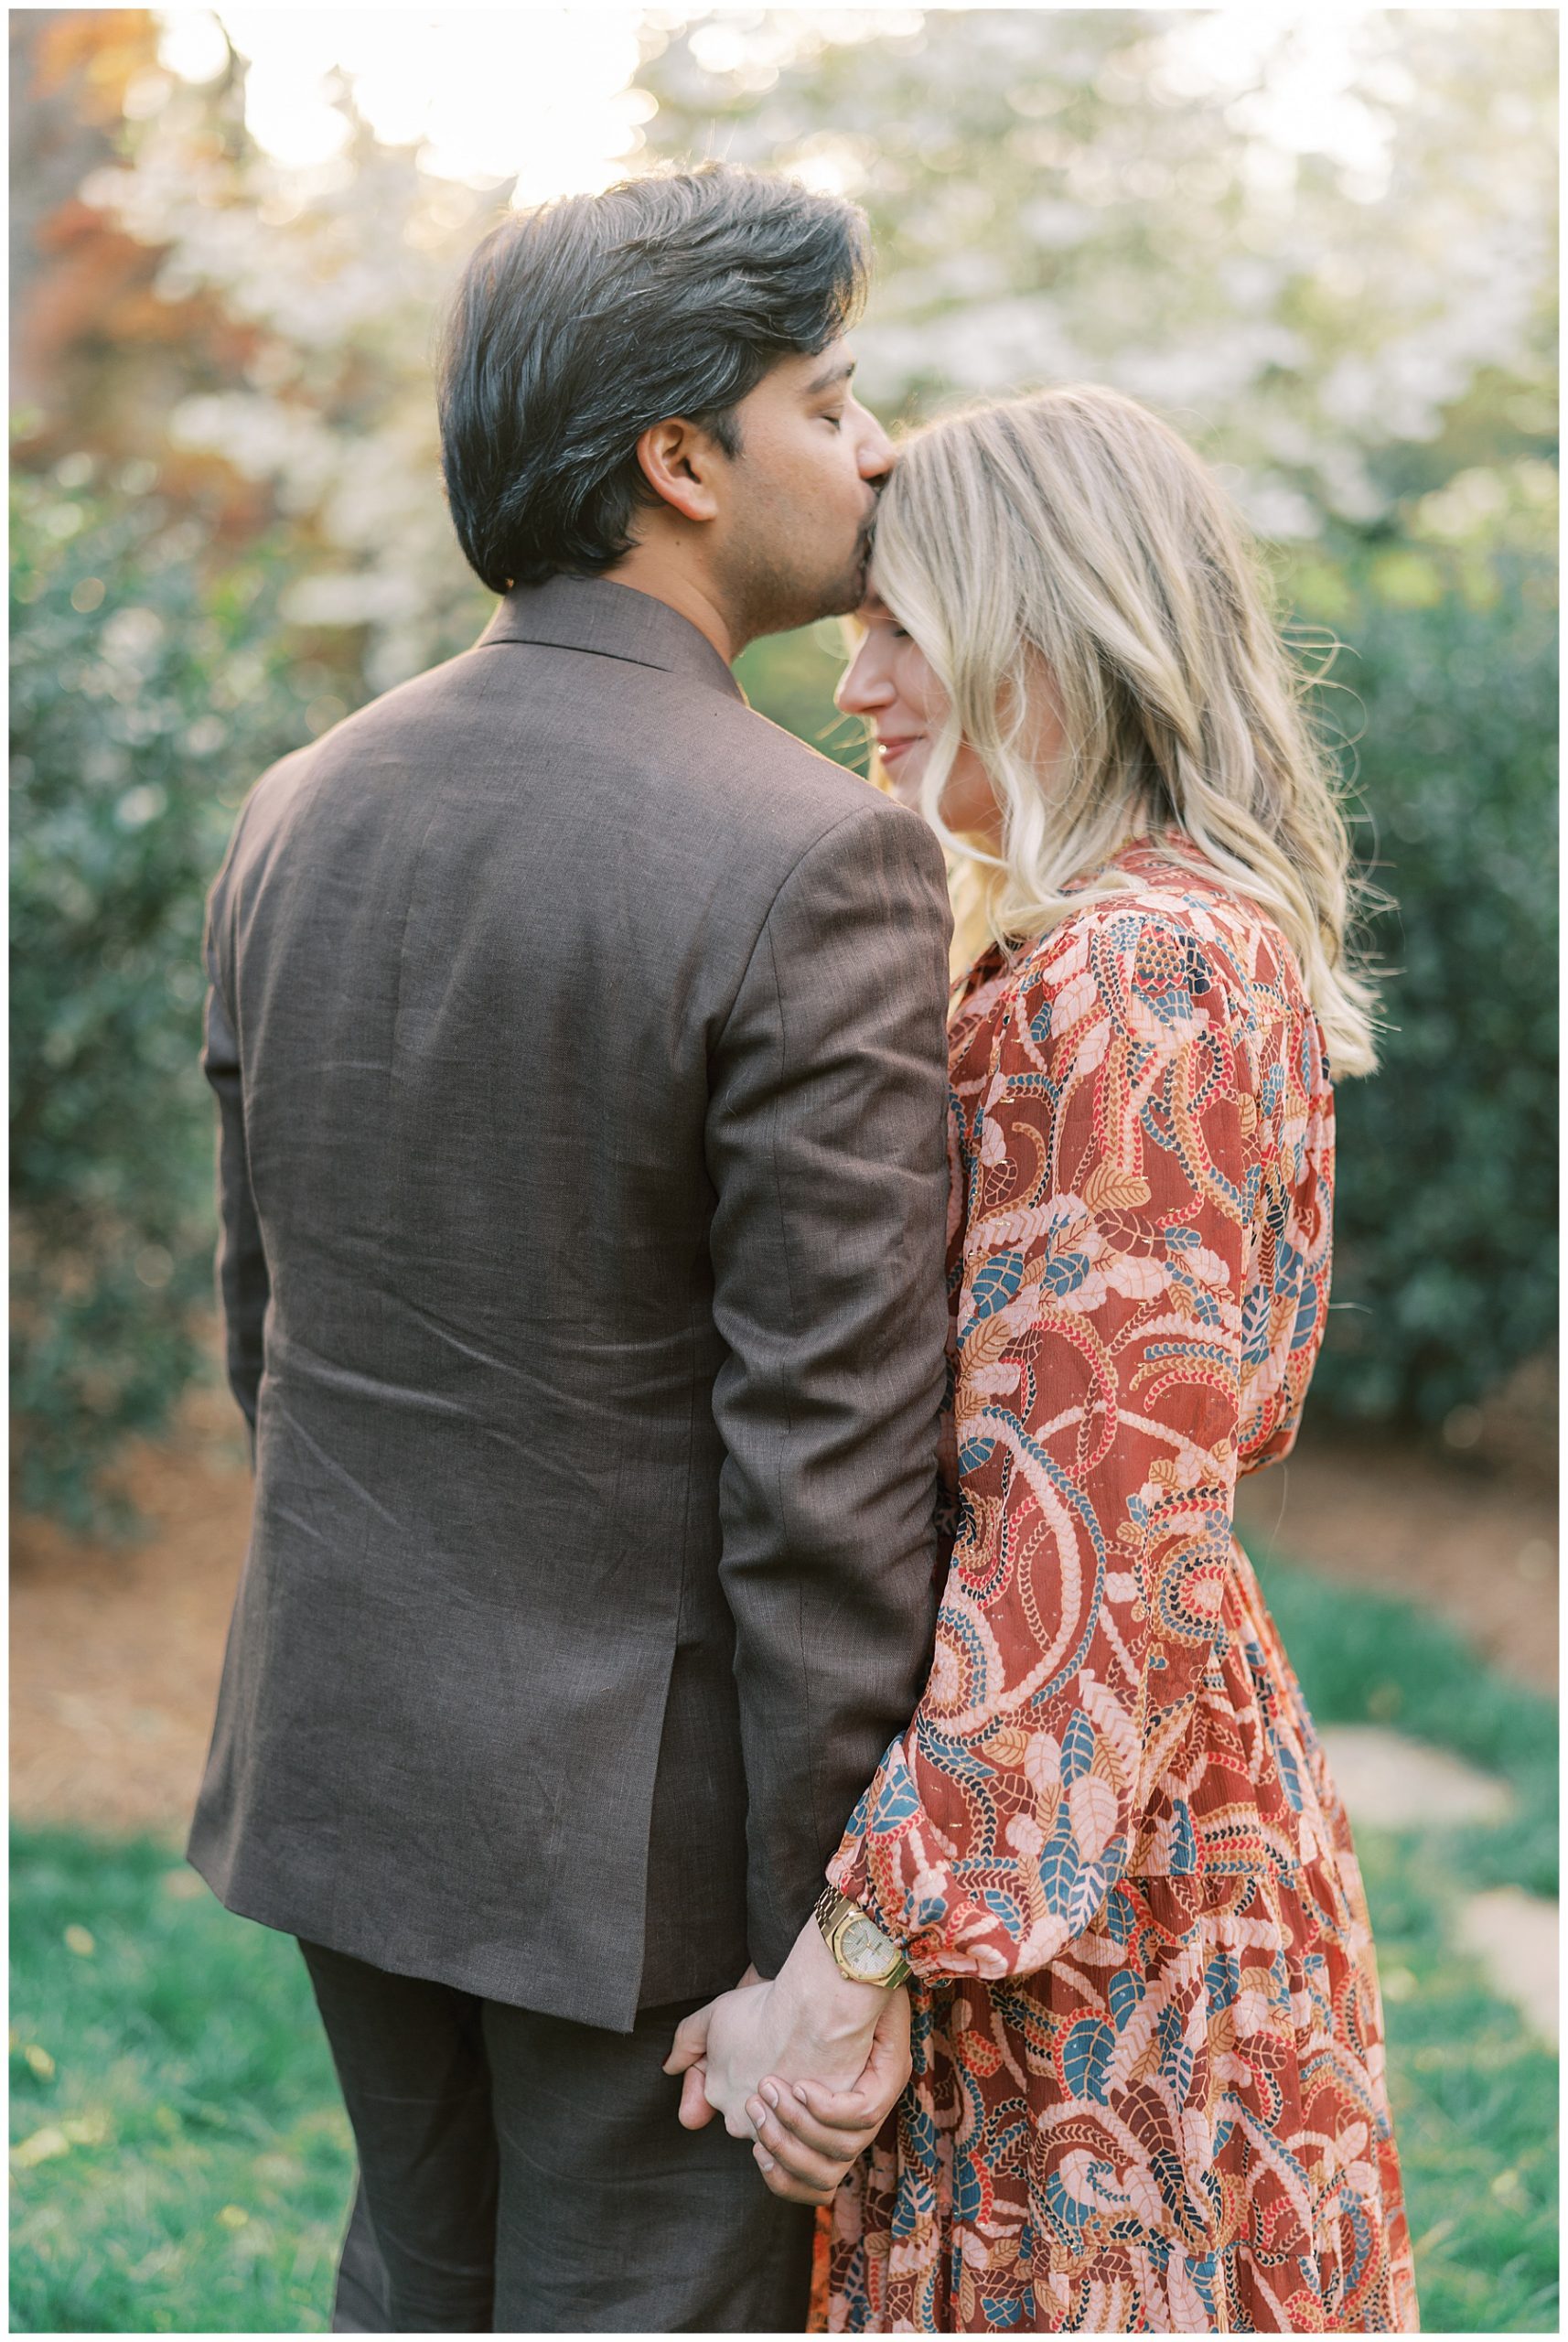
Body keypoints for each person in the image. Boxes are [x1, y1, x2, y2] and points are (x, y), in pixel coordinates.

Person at [188, 163, 953, 2333]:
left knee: (417, 2287)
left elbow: (276, 1326)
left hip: (346, 1756)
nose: (874, 447)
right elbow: (825, 1470)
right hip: (649, 1851)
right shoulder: (813, 856)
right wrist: (831, 1938)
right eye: (833, 396)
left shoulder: (299, 801)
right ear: (681, 462)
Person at [671, 388, 1422, 2333]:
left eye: (897, 624)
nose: (855, 683)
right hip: (1110, 1835)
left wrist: (844, 1975)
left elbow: (1081, 1549)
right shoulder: (1121, 937)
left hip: (1092, 1907)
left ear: (1047, 623)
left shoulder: (1142, 978)